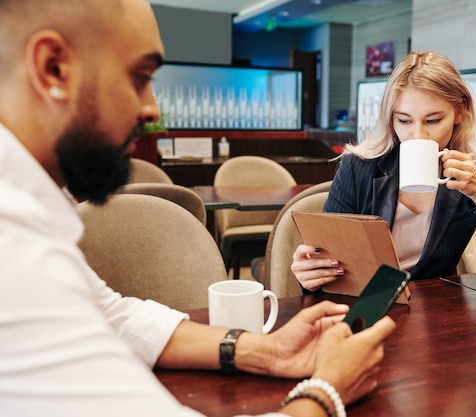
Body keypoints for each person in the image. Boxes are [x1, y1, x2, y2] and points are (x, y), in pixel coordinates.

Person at [0, 1, 396, 416]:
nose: (152, 108)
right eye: (139, 78)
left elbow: (113, 315)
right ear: (53, 69)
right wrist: (326, 392)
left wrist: (268, 349)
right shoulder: (12, 247)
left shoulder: (27, 212)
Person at [292, 51, 476, 292]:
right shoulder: (358, 167)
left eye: (432, 121)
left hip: (438, 313)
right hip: (368, 306)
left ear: (459, 112)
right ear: (391, 118)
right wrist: (311, 274)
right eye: (404, 120)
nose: (418, 135)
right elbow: (331, 263)